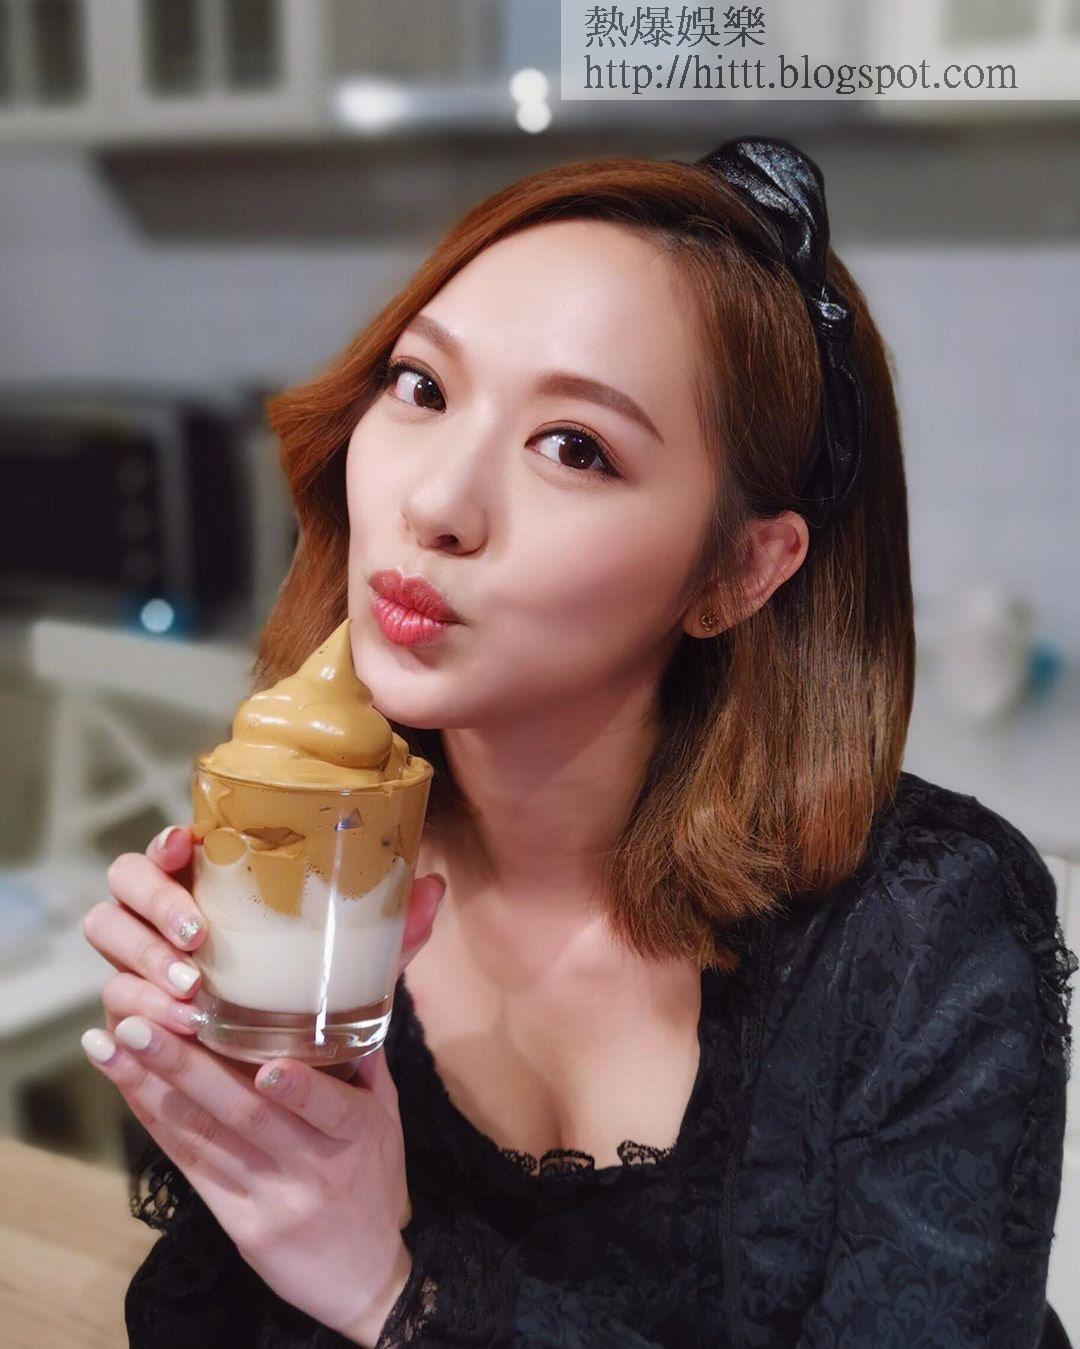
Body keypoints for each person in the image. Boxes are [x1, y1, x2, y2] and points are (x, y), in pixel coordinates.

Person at [79, 137, 1077, 1347]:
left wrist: (390, 1289)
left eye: (574, 447)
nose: (435, 502)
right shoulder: (315, 868)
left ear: (739, 571)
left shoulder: (923, 938)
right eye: (422, 387)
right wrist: (240, 1105)